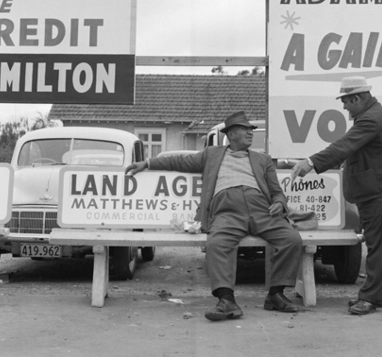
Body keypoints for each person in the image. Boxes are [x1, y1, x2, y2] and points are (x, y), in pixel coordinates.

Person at [125, 111, 303, 321]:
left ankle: (275, 294)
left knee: (291, 239)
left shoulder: (262, 159)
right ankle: (226, 300)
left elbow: (276, 191)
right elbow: (180, 161)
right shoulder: (212, 154)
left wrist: (279, 203)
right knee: (217, 243)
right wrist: (147, 163)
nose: (250, 133)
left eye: (250, 130)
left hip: (261, 209)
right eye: (245, 129)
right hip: (226, 210)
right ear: (231, 134)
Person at [291, 75, 382, 315]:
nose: (344, 107)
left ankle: (371, 299)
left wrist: (311, 162)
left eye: (345, 101)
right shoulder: (371, 115)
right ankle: (372, 295)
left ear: (357, 98)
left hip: (381, 190)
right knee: (377, 244)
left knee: (378, 246)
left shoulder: (371, 119)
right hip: (379, 189)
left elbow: (344, 146)